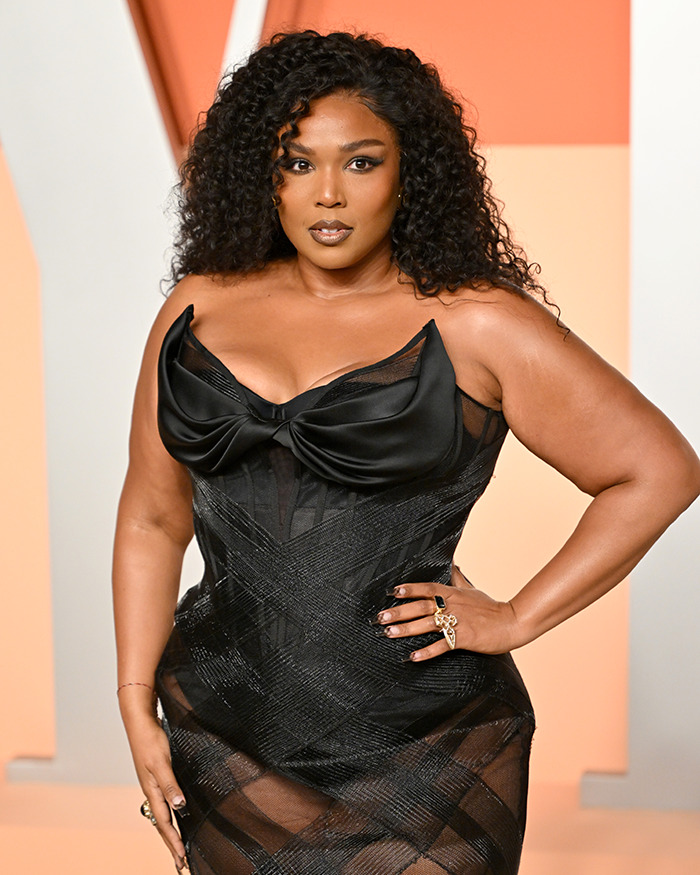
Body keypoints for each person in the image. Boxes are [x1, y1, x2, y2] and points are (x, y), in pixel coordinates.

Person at [112, 30, 700, 875]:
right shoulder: (197, 308)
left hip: (428, 745)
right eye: (297, 162)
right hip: (224, 731)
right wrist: (135, 698)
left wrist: (518, 615)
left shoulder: (477, 323)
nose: (328, 194)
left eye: (361, 162)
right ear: (262, 173)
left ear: (409, 172)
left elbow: (659, 469)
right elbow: (152, 516)